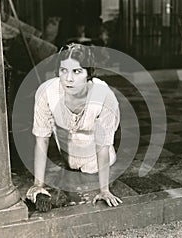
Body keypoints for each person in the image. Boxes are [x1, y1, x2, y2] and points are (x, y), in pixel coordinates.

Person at [26, 43, 122, 207]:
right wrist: (38, 185)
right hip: (67, 151)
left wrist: (104, 190)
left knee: (91, 174)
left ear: (88, 74)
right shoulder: (47, 93)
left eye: (77, 71)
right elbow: (41, 139)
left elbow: (103, 145)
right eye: (64, 70)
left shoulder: (104, 96)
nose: (68, 78)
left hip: (96, 154)